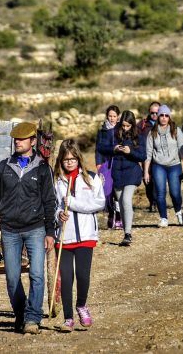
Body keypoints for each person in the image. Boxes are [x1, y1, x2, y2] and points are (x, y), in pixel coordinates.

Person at [0, 122, 56, 335]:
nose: (18, 142)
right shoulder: (3, 167)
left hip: (35, 229)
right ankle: (20, 314)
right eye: (15, 139)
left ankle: (33, 318)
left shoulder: (43, 169)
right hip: (10, 231)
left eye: (22, 139)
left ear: (33, 141)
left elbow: (50, 202)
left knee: (36, 274)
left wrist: (50, 232)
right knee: (12, 278)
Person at [53, 139, 105, 332]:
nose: (69, 162)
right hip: (64, 237)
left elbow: (99, 203)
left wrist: (74, 204)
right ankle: (68, 318)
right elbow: (53, 206)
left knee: (83, 276)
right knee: (67, 278)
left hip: (86, 235)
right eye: (66, 159)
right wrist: (59, 214)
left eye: (73, 158)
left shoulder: (91, 178)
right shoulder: (56, 181)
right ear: (61, 160)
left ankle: (81, 305)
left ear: (78, 158)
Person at [100, 111, 147, 247]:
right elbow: (102, 148)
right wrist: (113, 149)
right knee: (121, 204)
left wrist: (130, 152)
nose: (125, 128)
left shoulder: (139, 136)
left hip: (132, 173)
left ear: (132, 124)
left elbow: (143, 156)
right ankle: (126, 234)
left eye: (128, 126)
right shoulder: (114, 134)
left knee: (126, 200)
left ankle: (128, 233)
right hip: (117, 173)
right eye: (123, 126)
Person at [144, 105, 183, 228]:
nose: (164, 118)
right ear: (158, 117)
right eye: (161, 115)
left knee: (175, 193)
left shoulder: (176, 130)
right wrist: (146, 172)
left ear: (169, 117)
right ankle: (163, 218)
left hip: (174, 165)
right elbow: (148, 153)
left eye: (166, 115)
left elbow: (182, 150)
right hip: (158, 166)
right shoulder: (152, 132)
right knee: (160, 193)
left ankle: (178, 211)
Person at [95, 105, 122, 229]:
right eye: (110, 116)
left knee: (117, 191)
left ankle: (119, 217)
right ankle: (111, 214)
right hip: (105, 164)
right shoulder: (102, 131)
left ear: (118, 117)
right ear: (107, 116)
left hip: (118, 163)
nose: (112, 119)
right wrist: (98, 163)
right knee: (107, 191)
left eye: (114, 116)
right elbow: (98, 149)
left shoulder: (122, 129)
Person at [136, 101, 160, 212]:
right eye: (152, 113)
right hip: (146, 157)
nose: (155, 115)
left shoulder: (165, 122)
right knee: (148, 181)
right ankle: (152, 202)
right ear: (149, 112)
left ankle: (157, 202)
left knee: (158, 180)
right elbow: (134, 138)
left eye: (157, 112)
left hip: (160, 157)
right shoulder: (142, 124)